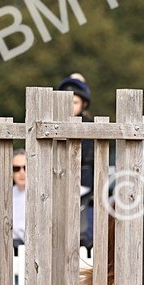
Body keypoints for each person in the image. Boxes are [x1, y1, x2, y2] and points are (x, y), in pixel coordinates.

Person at [56, 73, 96, 249]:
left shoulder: (90, 127)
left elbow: (91, 165)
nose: (69, 106)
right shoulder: (52, 125)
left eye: (74, 102)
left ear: (84, 104)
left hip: (84, 187)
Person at [0, 149, 27, 249]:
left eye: (26, 168)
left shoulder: (42, 195)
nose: (22, 172)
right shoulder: (9, 194)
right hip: (10, 249)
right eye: (16, 169)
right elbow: (4, 224)